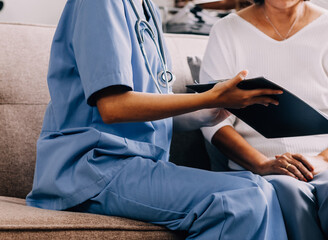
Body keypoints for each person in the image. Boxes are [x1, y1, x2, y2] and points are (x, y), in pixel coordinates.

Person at [25, 0, 289, 239]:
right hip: (90, 169)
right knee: (244, 199)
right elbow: (113, 107)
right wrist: (209, 97)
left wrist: (208, 113)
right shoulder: (101, 4)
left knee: (262, 189)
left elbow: (148, 110)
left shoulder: (146, 8)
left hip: (134, 165)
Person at [199, 0, 328, 239]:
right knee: (286, 190)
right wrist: (263, 165)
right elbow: (214, 122)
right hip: (259, 167)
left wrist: (323, 160)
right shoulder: (226, 31)